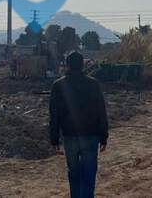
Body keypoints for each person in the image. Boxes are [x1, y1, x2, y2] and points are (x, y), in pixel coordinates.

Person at [49, 51, 108, 198]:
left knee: (74, 173)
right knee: (89, 174)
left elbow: (54, 114)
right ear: (83, 65)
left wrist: (54, 139)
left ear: (67, 65)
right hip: (90, 135)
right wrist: (104, 136)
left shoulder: (58, 85)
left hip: (69, 136)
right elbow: (101, 111)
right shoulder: (93, 84)